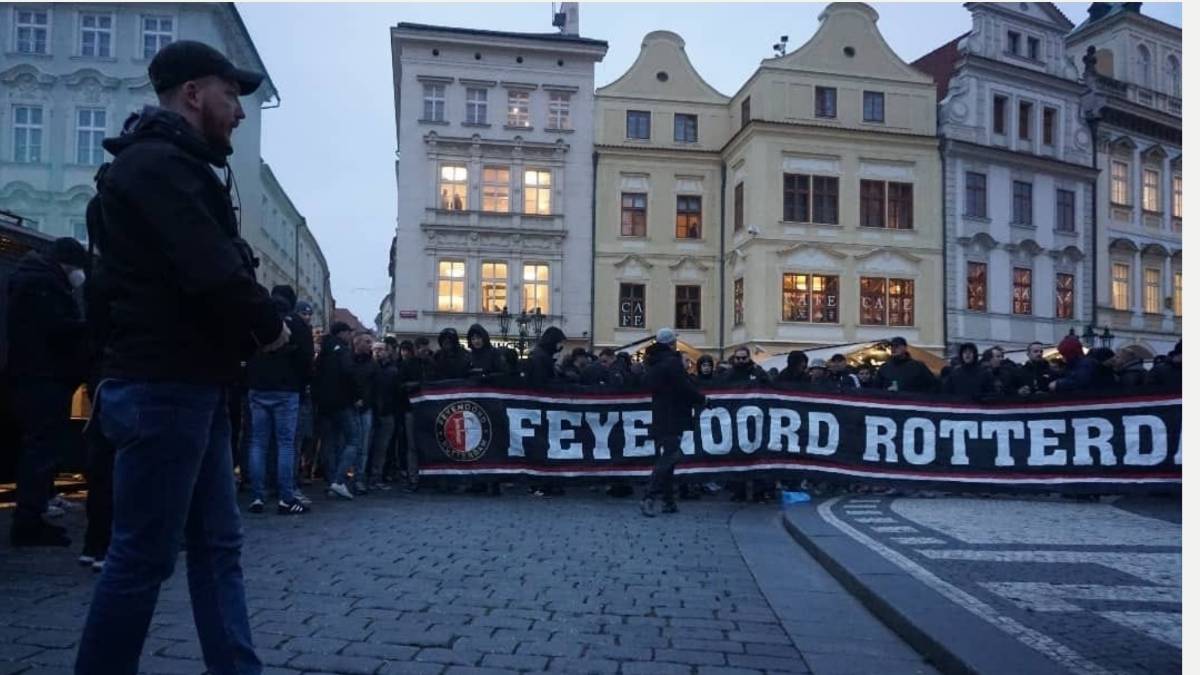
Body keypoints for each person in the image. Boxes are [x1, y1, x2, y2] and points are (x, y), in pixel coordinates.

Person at [75, 41, 286, 675]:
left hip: (190, 383)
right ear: (193, 95)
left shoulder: (165, 165)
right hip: (164, 386)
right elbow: (211, 269)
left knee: (216, 547)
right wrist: (268, 326)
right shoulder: (160, 169)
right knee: (141, 559)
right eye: (231, 96)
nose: (240, 113)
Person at [5, 237, 89, 546]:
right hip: (43, 378)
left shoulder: (32, 280)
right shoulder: (44, 285)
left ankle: (32, 513)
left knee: (38, 448)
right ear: (68, 264)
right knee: (41, 449)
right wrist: (85, 328)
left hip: (32, 376)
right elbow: (57, 330)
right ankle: (30, 519)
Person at [244, 285, 314, 515]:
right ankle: (286, 498)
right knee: (285, 445)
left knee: (258, 443)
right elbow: (306, 360)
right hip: (287, 389)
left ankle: (257, 497)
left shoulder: (256, 318)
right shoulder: (297, 324)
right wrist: (301, 383)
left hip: (257, 387)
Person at [640, 329, 707, 517]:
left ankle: (669, 501)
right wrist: (702, 399)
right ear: (672, 343)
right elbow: (683, 386)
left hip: (660, 413)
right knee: (670, 456)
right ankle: (649, 496)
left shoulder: (652, 361)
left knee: (668, 456)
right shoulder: (672, 362)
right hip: (674, 414)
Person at [314, 322, 358, 500]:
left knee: (328, 443)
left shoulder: (323, 351)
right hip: (341, 402)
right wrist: (355, 395)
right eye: (349, 333)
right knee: (353, 440)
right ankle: (339, 481)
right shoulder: (343, 351)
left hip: (324, 404)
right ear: (342, 333)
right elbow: (349, 373)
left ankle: (331, 480)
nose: (350, 337)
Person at [349, 332, 379, 495]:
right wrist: (353, 398)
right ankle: (346, 477)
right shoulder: (348, 360)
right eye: (367, 342)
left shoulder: (372, 364)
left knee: (364, 446)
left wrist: (369, 403)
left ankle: (359, 478)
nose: (370, 345)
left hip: (366, 408)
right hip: (349, 408)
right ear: (357, 343)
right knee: (349, 444)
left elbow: (375, 388)